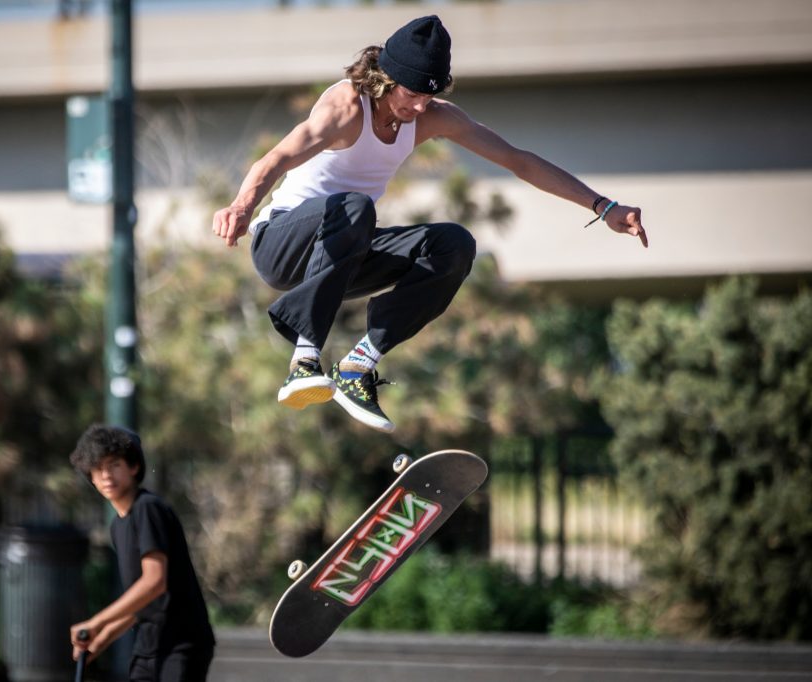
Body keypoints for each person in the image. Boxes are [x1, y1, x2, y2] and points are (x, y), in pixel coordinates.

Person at [211, 15, 647, 434]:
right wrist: (242, 206)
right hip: (282, 243)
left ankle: (358, 365)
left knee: (453, 245)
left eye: (429, 97)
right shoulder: (345, 107)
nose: (419, 107)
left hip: (342, 254)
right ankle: (303, 360)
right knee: (357, 207)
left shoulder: (433, 115)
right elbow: (280, 157)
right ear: (386, 78)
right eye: (412, 94)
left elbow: (518, 160)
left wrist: (603, 206)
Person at [69, 424, 215, 682]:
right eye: (98, 468)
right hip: (148, 646)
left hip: (180, 644)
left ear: (133, 467)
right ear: (91, 477)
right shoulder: (118, 526)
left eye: (114, 465)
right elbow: (141, 603)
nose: (106, 475)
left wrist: (96, 623)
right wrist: (101, 639)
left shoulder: (148, 509)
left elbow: (154, 583)